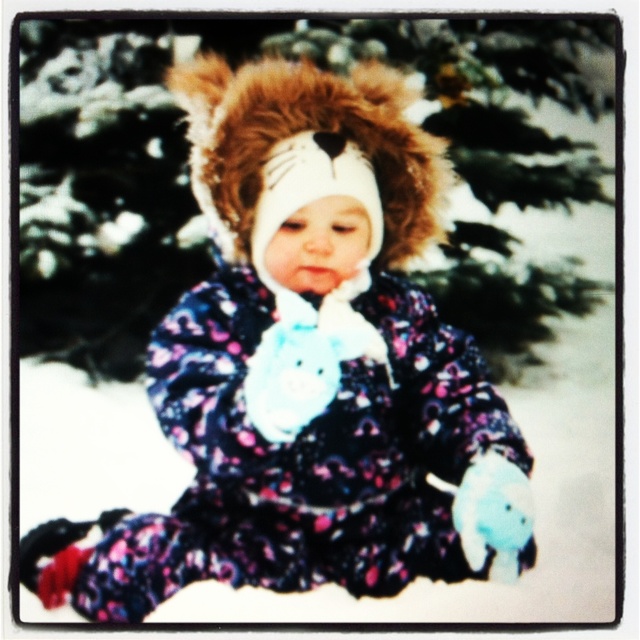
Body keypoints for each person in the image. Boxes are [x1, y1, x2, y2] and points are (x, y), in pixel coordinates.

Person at [19, 54, 536, 623]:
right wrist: (257, 411)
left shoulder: (399, 314)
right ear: (255, 223)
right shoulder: (217, 312)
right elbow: (189, 406)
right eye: (293, 224)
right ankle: (85, 554)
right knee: (144, 569)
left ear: (374, 234)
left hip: (383, 523)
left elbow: (454, 391)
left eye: (343, 227)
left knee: (494, 548)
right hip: (247, 526)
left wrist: (490, 461)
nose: (319, 243)